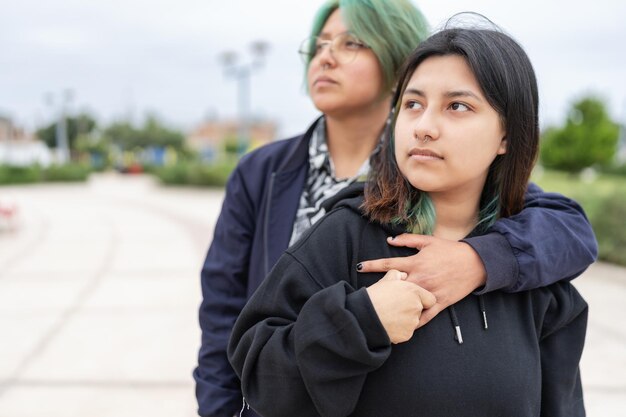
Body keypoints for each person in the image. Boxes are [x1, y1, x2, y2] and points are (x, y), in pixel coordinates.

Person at [194, 1, 597, 416]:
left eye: (457, 106)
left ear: (507, 135)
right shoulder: (329, 216)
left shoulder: (524, 253)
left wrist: (478, 260)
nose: (424, 125)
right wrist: (361, 322)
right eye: (414, 104)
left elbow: (571, 228)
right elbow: (237, 335)